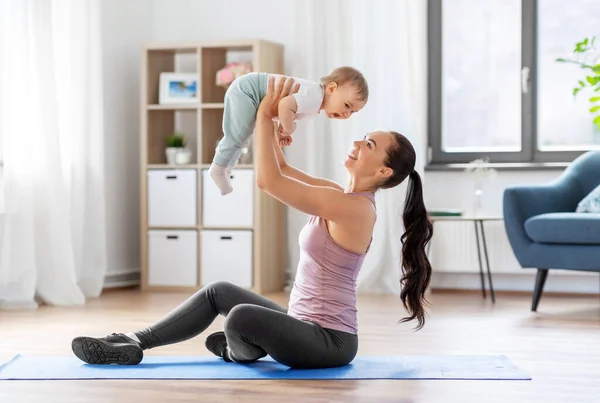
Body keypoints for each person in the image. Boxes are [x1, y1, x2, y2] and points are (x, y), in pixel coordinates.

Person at [71, 77, 432, 369]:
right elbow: (285, 170)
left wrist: (262, 114)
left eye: (368, 144)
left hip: (329, 342)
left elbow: (268, 181)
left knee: (241, 317)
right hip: (301, 323)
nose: (356, 141)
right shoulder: (338, 193)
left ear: (384, 171)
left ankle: (240, 348)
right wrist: (274, 125)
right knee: (219, 291)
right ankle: (134, 342)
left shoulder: (356, 209)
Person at [208, 66, 368, 195]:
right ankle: (218, 168)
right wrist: (290, 128)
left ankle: (227, 167)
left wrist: (281, 130)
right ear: (332, 89)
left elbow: (281, 108)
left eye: (352, 112)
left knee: (243, 135)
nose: (347, 114)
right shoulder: (314, 97)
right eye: (347, 105)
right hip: (248, 90)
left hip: (250, 89)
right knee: (237, 134)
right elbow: (285, 106)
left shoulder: (315, 100)